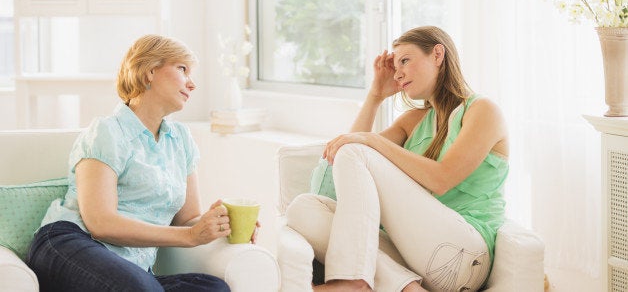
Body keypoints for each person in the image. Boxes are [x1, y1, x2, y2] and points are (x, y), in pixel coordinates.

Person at [285, 26, 509, 292]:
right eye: (395, 64)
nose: (398, 72)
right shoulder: (414, 121)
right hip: (416, 256)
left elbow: (442, 179)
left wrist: (374, 141)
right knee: (302, 208)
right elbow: (341, 155)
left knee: (359, 149)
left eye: (405, 60)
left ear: (438, 54)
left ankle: (352, 281)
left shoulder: (482, 110)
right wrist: (375, 96)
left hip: (463, 255)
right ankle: (404, 287)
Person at [26, 35, 251, 291]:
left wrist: (222, 222)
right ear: (149, 72)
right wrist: (189, 236)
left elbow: (188, 218)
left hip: (132, 267)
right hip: (71, 243)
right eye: (182, 69)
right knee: (140, 288)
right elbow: (101, 224)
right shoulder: (107, 131)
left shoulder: (181, 140)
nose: (192, 84)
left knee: (214, 288)